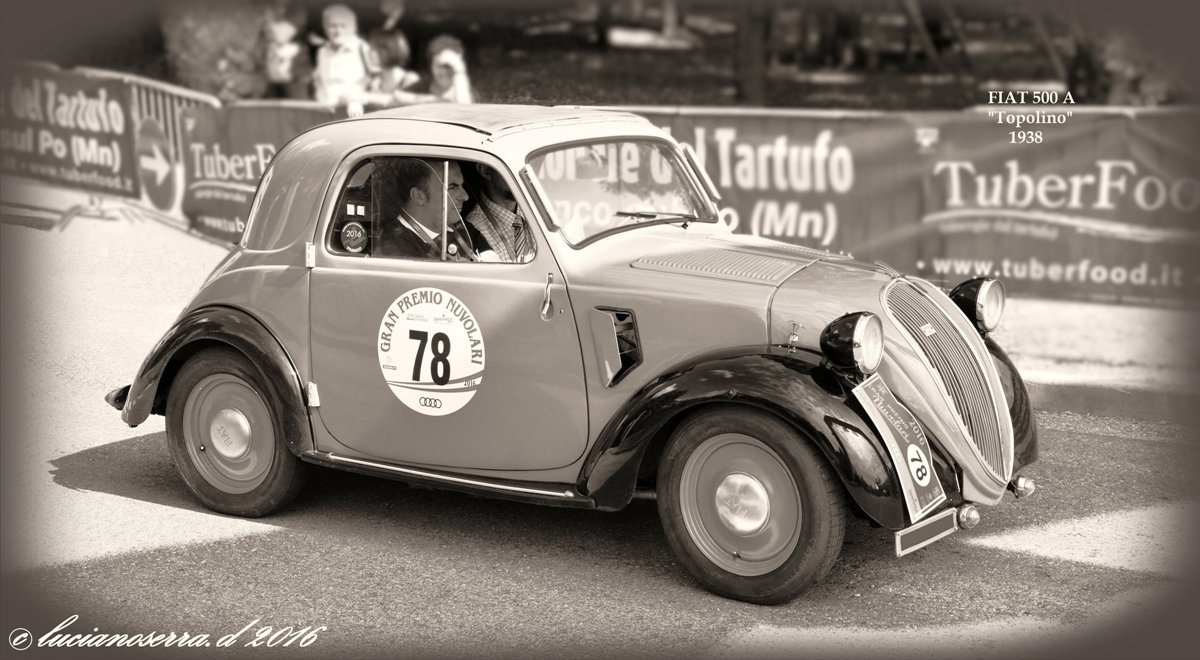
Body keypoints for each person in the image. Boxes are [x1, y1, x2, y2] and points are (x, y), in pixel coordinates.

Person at [376, 158, 476, 261]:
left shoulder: (463, 228)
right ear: (419, 196)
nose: (465, 196)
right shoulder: (393, 248)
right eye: (452, 187)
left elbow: (491, 263)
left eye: (461, 186)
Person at [312, 4, 380, 116]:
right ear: (325, 27)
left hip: (356, 112)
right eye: (333, 25)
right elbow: (320, 81)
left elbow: (374, 79)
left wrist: (356, 100)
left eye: (343, 26)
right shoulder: (322, 51)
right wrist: (322, 101)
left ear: (352, 27)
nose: (338, 30)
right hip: (327, 113)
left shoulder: (362, 48)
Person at [463, 165, 534, 263]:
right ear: (485, 170)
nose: (522, 176)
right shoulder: (474, 230)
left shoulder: (538, 212)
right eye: (511, 166)